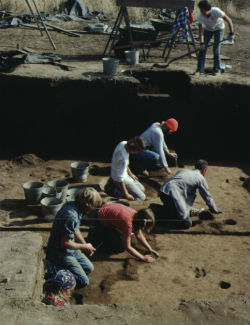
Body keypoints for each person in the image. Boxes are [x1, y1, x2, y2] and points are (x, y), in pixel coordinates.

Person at [46, 187, 102, 289]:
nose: (94, 209)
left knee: (89, 268)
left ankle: (64, 269)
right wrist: (84, 247)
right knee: (83, 281)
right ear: (87, 205)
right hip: (58, 251)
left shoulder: (75, 206)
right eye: (93, 206)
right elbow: (65, 243)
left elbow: (75, 230)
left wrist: (85, 245)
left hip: (69, 249)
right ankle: (51, 268)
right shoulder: (70, 216)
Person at [87, 203, 159, 262]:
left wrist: (150, 249)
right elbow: (127, 247)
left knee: (122, 236)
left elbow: (139, 235)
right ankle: (97, 235)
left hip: (107, 212)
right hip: (98, 219)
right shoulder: (128, 224)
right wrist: (143, 258)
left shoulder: (136, 215)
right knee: (119, 248)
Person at [159, 159, 221, 228]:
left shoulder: (184, 170)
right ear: (204, 170)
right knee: (186, 223)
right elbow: (207, 196)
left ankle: (160, 210)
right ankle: (158, 211)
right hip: (173, 194)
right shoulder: (200, 178)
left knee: (180, 209)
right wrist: (214, 209)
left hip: (162, 191)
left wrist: (200, 211)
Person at [196, 0, 234, 76]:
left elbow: (229, 20)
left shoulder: (216, 11)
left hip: (219, 29)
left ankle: (217, 70)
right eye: (200, 10)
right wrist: (202, 43)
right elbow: (200, 31)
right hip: (208, 30)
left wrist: (231, 33)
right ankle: (200, 70)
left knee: (216, 50)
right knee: (202, 49)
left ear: (208, 9)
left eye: (202, 10)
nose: (201, 12)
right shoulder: (200, 16)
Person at [111, 136, 146, 201]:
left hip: (124, 175)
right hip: (119, 179)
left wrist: (131, 174)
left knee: (142, 189)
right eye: (137, 151)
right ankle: (116, 192)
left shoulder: (123, 143)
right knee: (141, 197)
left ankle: (120, 189)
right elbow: (119, 179)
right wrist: (126, 194)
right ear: (133, 148)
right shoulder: (123, 159)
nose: (137, 153)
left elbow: (125, 165)